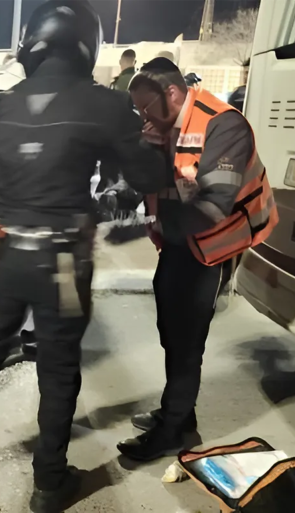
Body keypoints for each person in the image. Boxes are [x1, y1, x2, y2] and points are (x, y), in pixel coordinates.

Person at [0, 2, 169, 511]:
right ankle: (48, 482)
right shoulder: (106, 103)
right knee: (58, 367)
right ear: (86, 45)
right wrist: (152, 143)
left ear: (32, 45)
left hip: (3, 253)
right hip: (62, 260)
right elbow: (147, 177)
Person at [117, 57, 277, 462]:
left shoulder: (224, 125)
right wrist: (143, 153)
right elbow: (147, 182)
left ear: (172, 93)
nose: (144, 118)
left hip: (215, 244)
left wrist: (142, 227)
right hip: (181, 240)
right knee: (170, 329)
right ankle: (178, 412)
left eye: (147, 108)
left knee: (187, 337)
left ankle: (174, 430)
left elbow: (214, 205)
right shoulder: (165, 125)